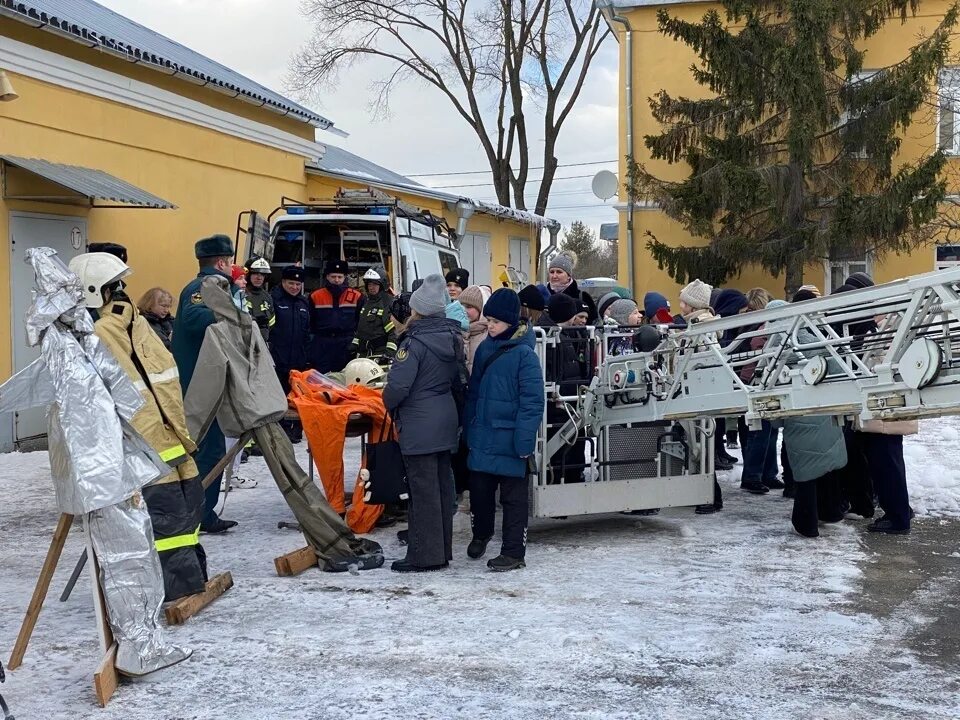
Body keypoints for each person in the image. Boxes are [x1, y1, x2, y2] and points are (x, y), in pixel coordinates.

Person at [71, 252, 207, 601]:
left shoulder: (100, 332)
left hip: (144, 442)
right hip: (169, 434)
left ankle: (178, 587)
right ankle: (191, 578)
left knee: (168, 517)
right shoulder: (135, 322)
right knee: (184, 510)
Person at [383, 274, 465, 572]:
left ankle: (424, 556)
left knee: (422, 491)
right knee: (441, 489)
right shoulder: (451, 335)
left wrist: (387, 401)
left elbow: (398, 388)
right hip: (444, 419)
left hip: (419, 423)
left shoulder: (414, 342)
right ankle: (440, 550)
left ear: (418, 309)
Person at [465, 289, 544, 571]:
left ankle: (513, 552)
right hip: (483, 434)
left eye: (496, 322)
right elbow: (473, 393)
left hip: (511, 439)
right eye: (488, 320)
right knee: (480, 493)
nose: (490, 326)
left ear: (511, 322)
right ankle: (481, 533)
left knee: (513, 500)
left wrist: (524, 442)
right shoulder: (486, 346)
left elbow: (533, 403)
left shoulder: (525, 355)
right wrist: (469, 427)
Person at [170, 234, 238, 534]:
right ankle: (200, 514)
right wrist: (231, 310)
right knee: (207, 452)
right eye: (230, 261)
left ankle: (203, 512)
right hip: (198, 383)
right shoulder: (202, 287)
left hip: (204, 380)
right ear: (221, 262)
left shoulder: (210, 285)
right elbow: (195, 318)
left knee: (210, 450)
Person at [676, 279, 725, 514]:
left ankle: (710, 497)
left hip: (698, 394)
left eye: (683, 301)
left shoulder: (701, 328)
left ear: (693, 305)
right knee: (698, 444)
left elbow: (699, 361)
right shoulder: (699, 325)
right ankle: (705, 494)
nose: (680, 305)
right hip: (697, 392)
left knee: (701, 445)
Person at [541, 293, 591, 484]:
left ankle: (570, 478)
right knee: (559, 447)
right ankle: (559, 481)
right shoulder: (551, 337)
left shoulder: (566, 334)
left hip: (569, 400)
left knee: (571, 444)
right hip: (559, 402)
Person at [270, 265, 311, 443]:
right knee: (279, 398)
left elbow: (308, 332)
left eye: (297, 284)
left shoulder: (303, 304)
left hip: (298, 361)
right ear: (283, 282)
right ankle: (280, 432)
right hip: (278, 359)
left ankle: (295, 430)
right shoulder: (274, 300)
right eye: (291, 283)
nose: (294, 287)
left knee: (297, 398)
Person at [309, 259, 362, 373]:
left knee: (345, 378)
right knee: (322, 380)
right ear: (327, 277)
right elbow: (310, 323)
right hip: (322, 345)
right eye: (333, 276)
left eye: (340, 276)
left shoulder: (356, 296)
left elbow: (361, 323)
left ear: (345, 277)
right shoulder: (315, 296)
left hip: (346, 345)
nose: (336, 280)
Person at [352, 266, 398, 360]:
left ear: (382, 285)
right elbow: (361, 328)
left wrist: (389, 352)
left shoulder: (388, 303)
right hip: (364, 353)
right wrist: (354, 344)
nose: (371, 287)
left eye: (375, 284)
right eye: (369, 284)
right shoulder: (367, 303)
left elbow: (394, 332)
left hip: (380, 354)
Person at [546, 252, 598, 324]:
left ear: (569, 276)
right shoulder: (543, 296)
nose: (554, 276)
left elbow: (593, 324)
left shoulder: (583, 297)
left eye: (559, 272)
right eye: (552, 272)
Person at [243, 256, 275, 342]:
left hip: (261, 344)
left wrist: (264, 327)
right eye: (255, 273)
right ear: (248, 274)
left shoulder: (267, 297)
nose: (259, 277)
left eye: (263, 274)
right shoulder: (240, 294)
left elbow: (272, 322)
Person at [458, 285, 488, 372]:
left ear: (481, 309)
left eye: (469, 306)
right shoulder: (456, 331)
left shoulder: (489, 335)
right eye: (461, 305)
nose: (463, 310)